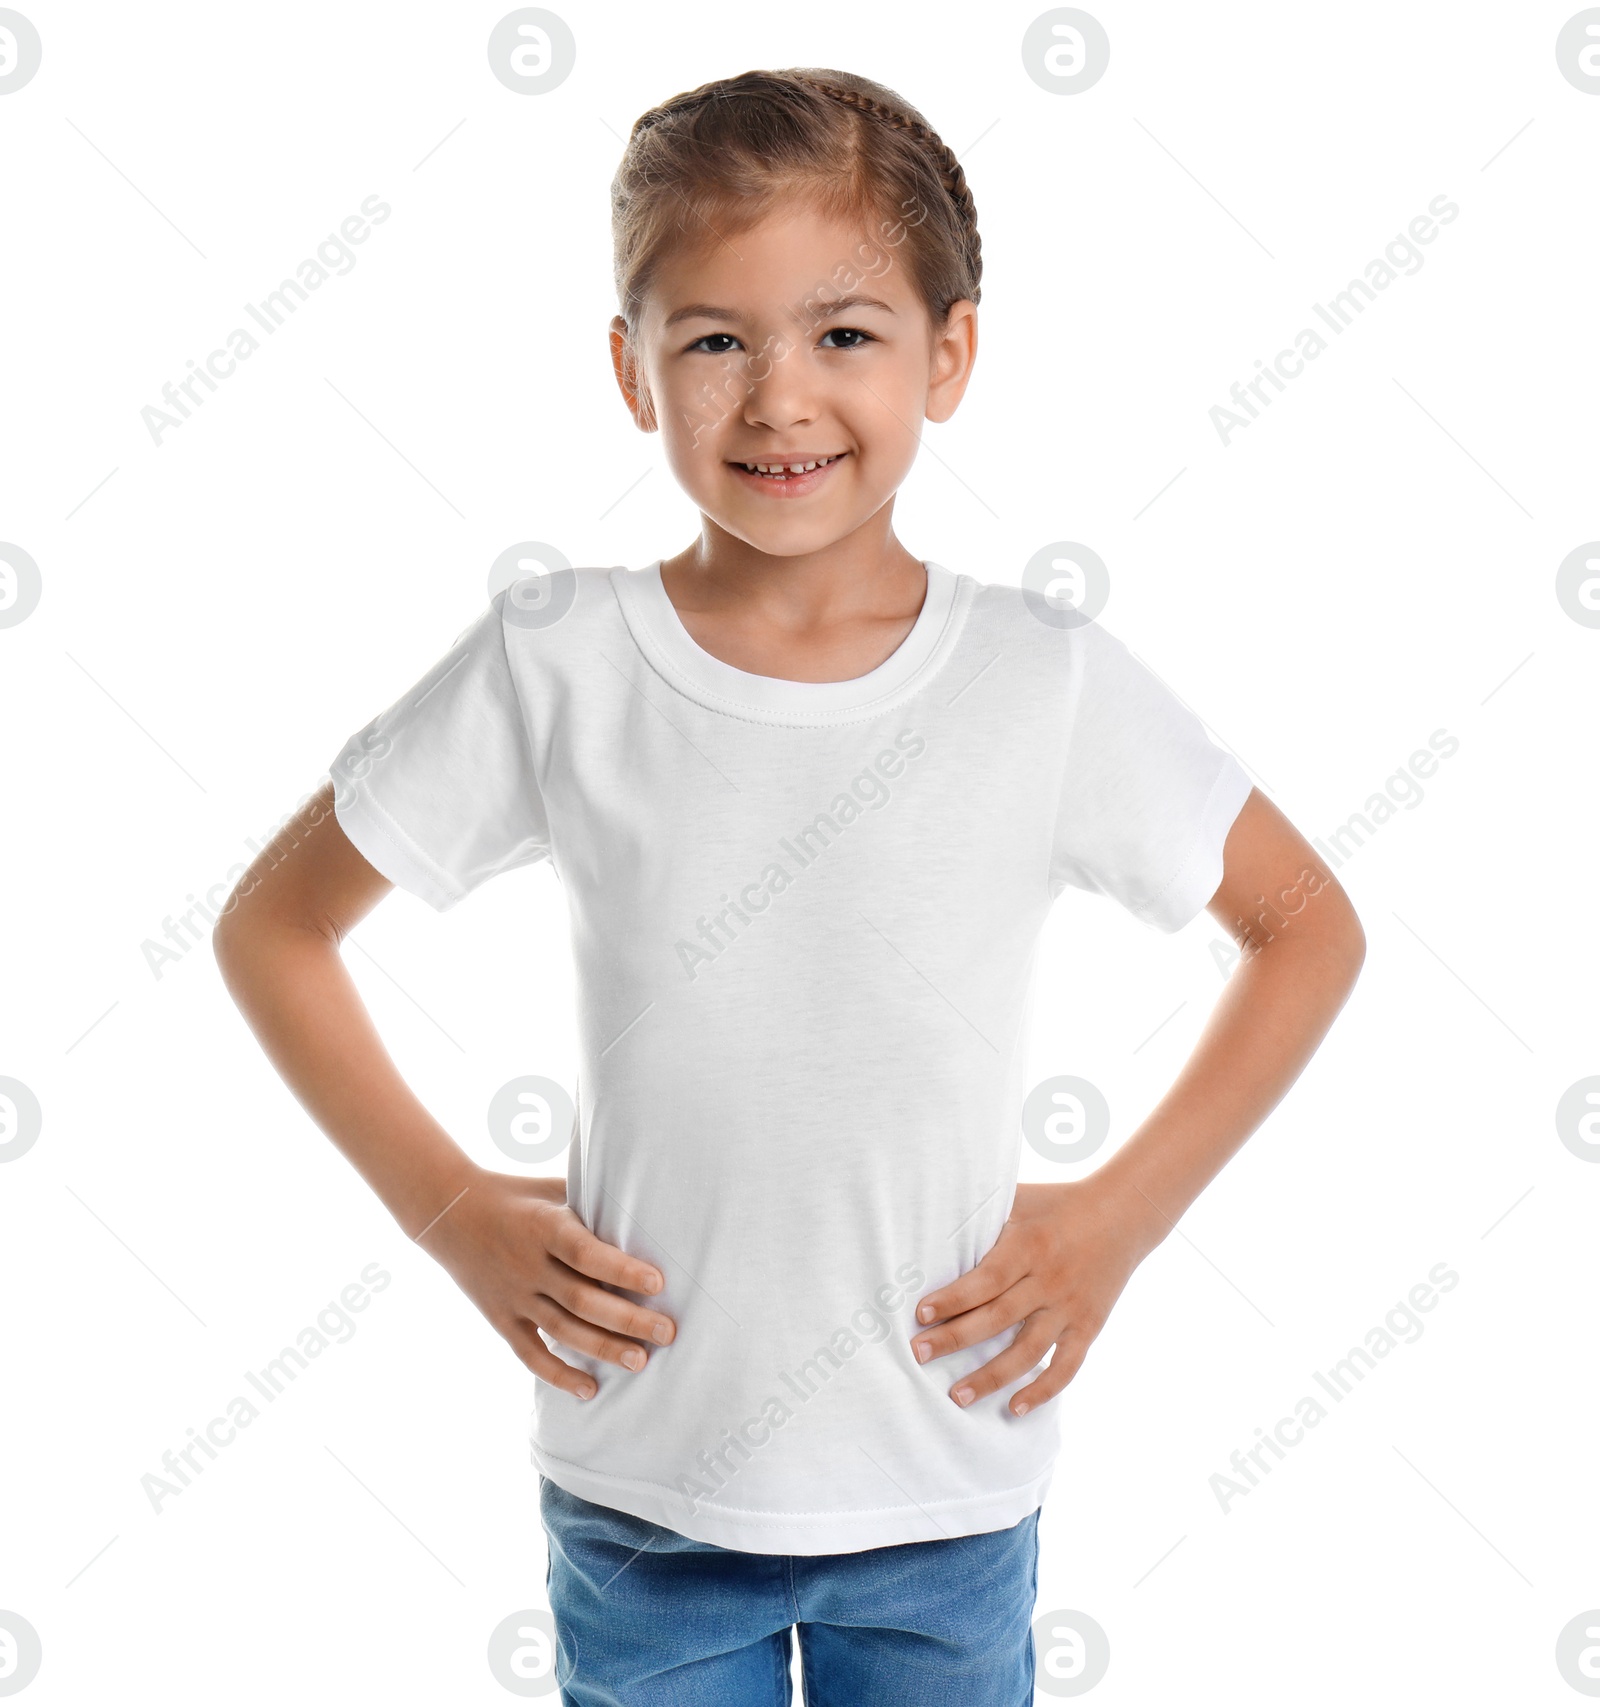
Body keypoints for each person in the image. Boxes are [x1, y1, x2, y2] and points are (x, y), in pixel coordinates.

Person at [213, 65, 1366, 1707]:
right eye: (713, 340)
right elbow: (277, 922)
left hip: (948, 1481)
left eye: (843, 334)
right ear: (631, 370)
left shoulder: (1038, 682)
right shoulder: (560, 660)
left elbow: (1307, 927)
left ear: (947, 353)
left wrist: (1116, 1219)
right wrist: (458, 1216)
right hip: (648, 1492)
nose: (778, 400)